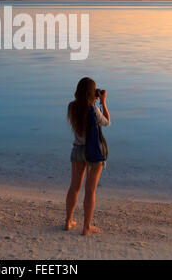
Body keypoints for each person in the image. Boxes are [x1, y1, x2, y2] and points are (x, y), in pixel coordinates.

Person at [65, 77, 111, 235]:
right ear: (93, 93)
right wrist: (103, 102)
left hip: (77, 150)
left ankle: (68, 221)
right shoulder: (94, 110)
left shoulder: (72, 107)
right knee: (90, 190)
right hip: (93, 152)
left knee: (74, 187)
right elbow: (107, 122)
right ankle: (86, 227)